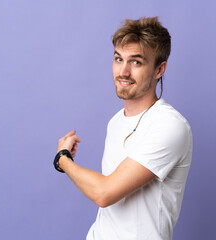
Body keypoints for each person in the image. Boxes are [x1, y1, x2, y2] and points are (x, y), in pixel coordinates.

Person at [54, 17, 193, 240]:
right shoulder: (116, 121)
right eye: (119, 59)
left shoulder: (170, 126)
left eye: (136, 62)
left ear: (159, 69)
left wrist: (62, 159)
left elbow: (104, 193)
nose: (124, 72)